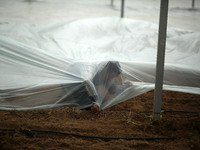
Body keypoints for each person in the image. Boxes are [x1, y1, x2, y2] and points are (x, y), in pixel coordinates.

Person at [61, 61, 128, 113]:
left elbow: (110, 84)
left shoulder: (103, 69)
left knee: (103, 83)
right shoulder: (90, 68)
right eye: (111, 76)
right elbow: (86, 80)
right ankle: (76, 103)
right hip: (72, 82)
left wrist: (123, 87)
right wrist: (96, 100)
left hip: (84, 80)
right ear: (106, 70)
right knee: (87, 105)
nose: (112, 78)